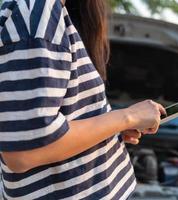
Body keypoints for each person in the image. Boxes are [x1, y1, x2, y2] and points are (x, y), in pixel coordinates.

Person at [0, 0, 166, 199]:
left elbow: (58, 121)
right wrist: (128, 116)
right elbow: (23, 153)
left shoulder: (47, 12)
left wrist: (110, 129)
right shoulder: (36, 13)